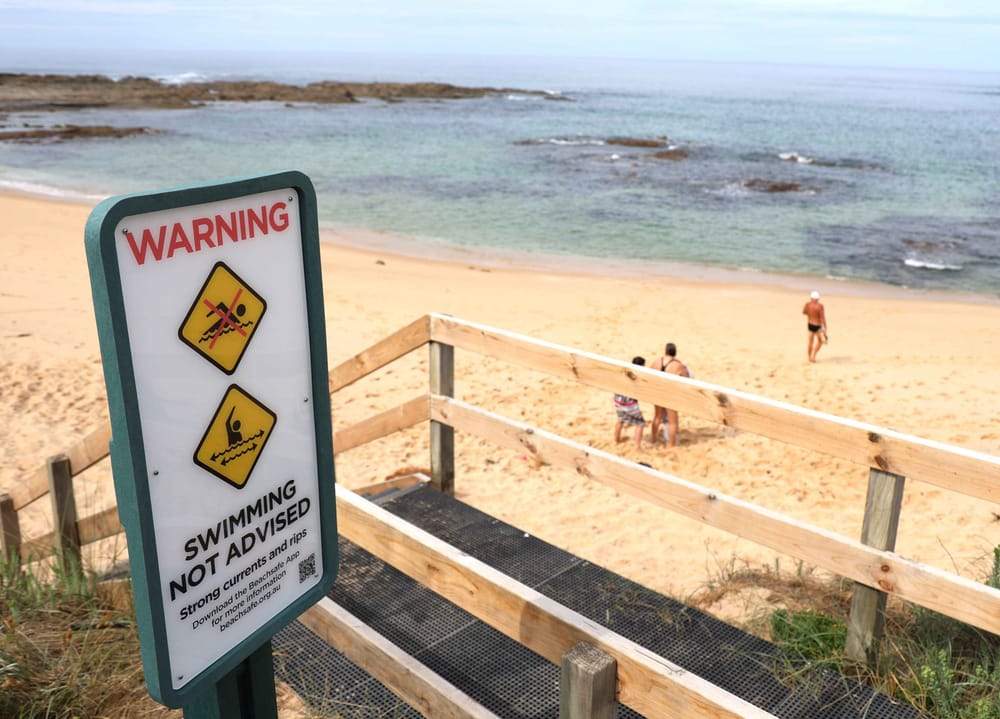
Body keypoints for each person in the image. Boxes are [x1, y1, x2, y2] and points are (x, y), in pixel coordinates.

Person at [650, 342, 690, 446]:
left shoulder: (657, 362)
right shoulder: (679, 365)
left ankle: (653, 439)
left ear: (665, 351)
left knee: (657, 417)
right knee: (672, 422)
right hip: (670, 394)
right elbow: (686, 380)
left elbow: (648, 374)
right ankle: (672, 445)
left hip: (658, 392)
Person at [614, 356, 646, 450]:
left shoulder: (625, 372)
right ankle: (637, 447)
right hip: (629, 404)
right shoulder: (638, 376)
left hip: (618, 400)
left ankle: (617, 440)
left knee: (620, 419)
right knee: (640, 423)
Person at [802, 290, 828, 362]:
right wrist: (825, 327)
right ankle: (814, 355)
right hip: (818, 326)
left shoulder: (807, 305)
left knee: (810, 342)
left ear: (811, 298)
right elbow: (822, 317)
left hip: (810, 324)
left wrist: (811, 314)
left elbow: (804, 312)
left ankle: (809, 358)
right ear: (818, 299)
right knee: (820, 341)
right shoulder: (820, 306)